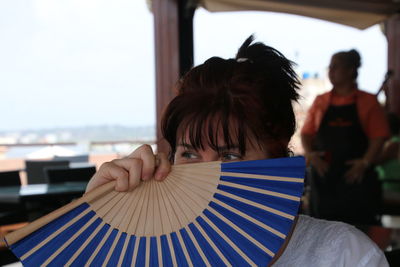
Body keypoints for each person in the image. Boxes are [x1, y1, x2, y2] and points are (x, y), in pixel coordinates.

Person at [87, 38, 388, 266]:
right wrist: (100, 224)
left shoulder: (346, 256)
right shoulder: (154, 249)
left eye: (230, 156)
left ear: (277, 161)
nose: (201, 176)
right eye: (189, 155)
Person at [301, 49, 390, 225]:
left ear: (350, 70)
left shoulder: (368, 101)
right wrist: (311, 154)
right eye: (330, 67)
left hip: (357, 181)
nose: (331, 71)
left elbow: (378, 137)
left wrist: (365, 162)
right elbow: (306, 133)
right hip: (324, 179)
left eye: (336, 66)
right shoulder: (321, 101)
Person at [375, 112, 400, 192]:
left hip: (391, 187)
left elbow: (375, 161)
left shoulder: (394, 144)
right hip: (386, 185)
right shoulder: (391, 143)